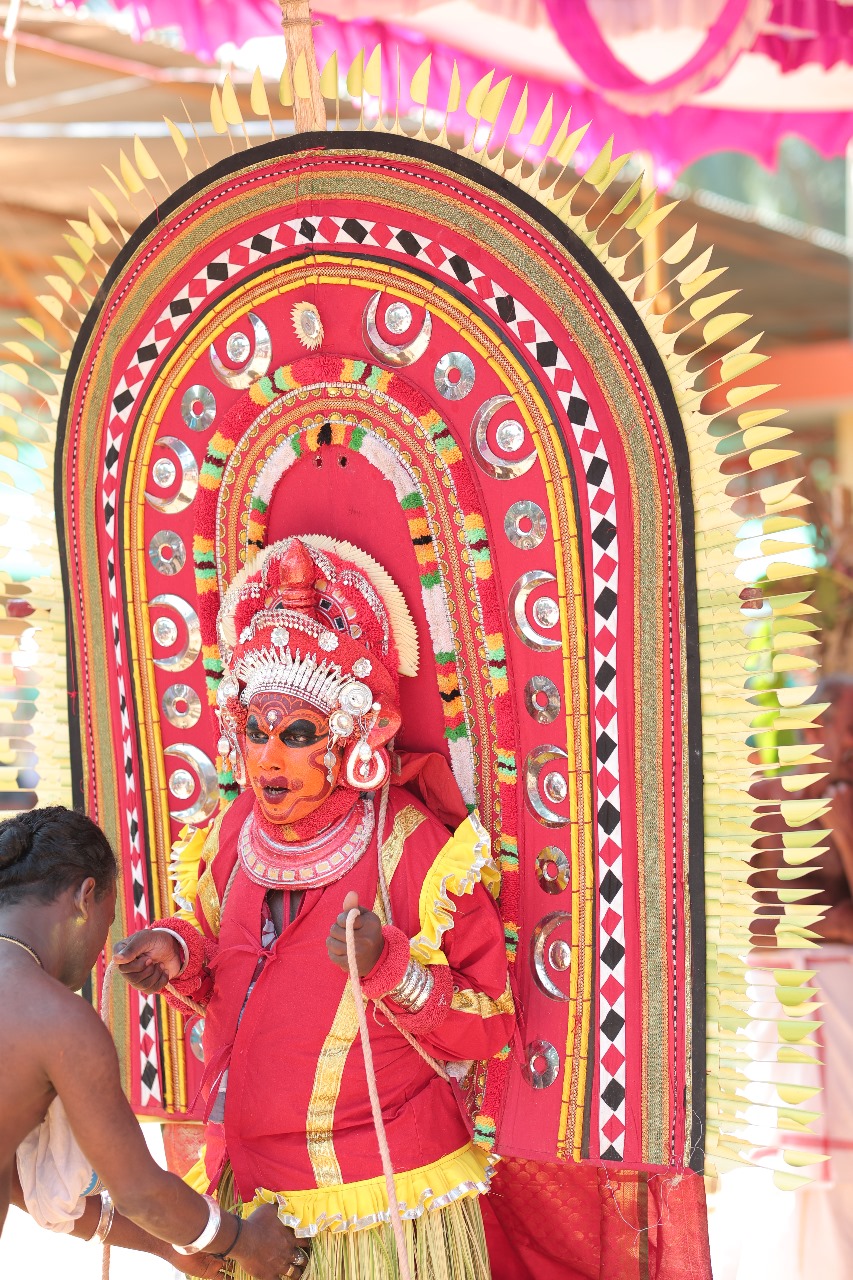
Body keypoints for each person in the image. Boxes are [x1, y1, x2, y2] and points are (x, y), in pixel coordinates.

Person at [115, 537, 516, 1280]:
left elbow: (489, 1023)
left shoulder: (411, 847)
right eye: (256, 732)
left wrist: (390, 968)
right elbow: (227, 972)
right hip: (252, 1191)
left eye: (297, 735)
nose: (267, 760)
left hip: (379, 1197)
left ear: (351, 741)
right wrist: (177, 953)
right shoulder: (235, 830)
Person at [0, 803, 311, 1279]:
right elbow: (139, 1191)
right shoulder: (56, 1019)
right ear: (86, 897)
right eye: (106, 928)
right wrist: (244, 1240)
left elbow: (26, 1183)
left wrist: (169, 1249)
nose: (98, 954)